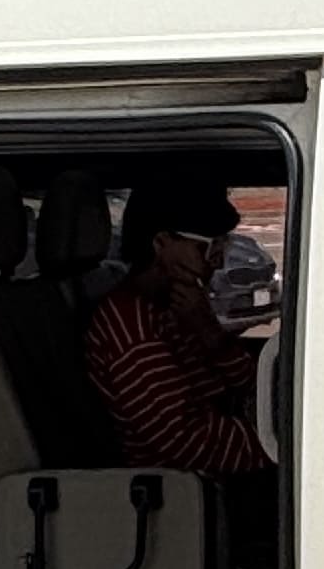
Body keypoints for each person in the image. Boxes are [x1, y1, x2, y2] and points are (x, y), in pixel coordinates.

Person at [82, 174, 269, 477]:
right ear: (161, 243)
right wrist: (282, 449)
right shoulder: (131, 328)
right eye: (208, 248)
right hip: (183, 490)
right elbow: (185, 440)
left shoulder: (179, 308)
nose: (217, 262)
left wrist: (211, 334)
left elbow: (247, 384)